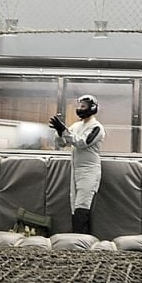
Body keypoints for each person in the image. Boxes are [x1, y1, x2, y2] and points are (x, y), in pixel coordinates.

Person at [49, 94, 104, 234]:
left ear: (92, 108)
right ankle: (76, 240)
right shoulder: (76, 126)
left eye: (83, 106)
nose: (80, 109)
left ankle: (83, 242)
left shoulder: (97, 127)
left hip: (89, 171)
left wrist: (64, 131)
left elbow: (82, 142)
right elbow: (62, 143)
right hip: (75, 170)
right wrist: (59, 132)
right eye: (79, 106)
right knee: (74, 206)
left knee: (82, 206)